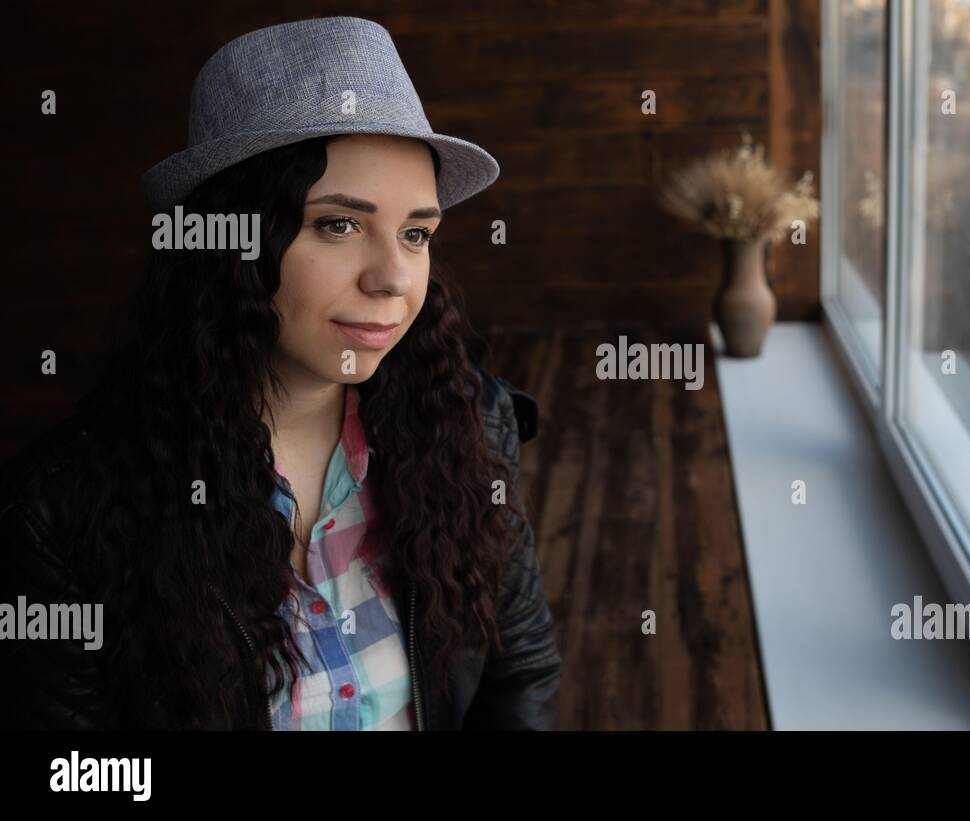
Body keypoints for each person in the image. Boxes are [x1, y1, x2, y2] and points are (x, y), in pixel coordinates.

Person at [0, 17, 561, 730]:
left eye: (416, 233)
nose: (393, 276)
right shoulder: (61, 512)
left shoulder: (470, 422)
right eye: (338, 224)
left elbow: (523, 672)